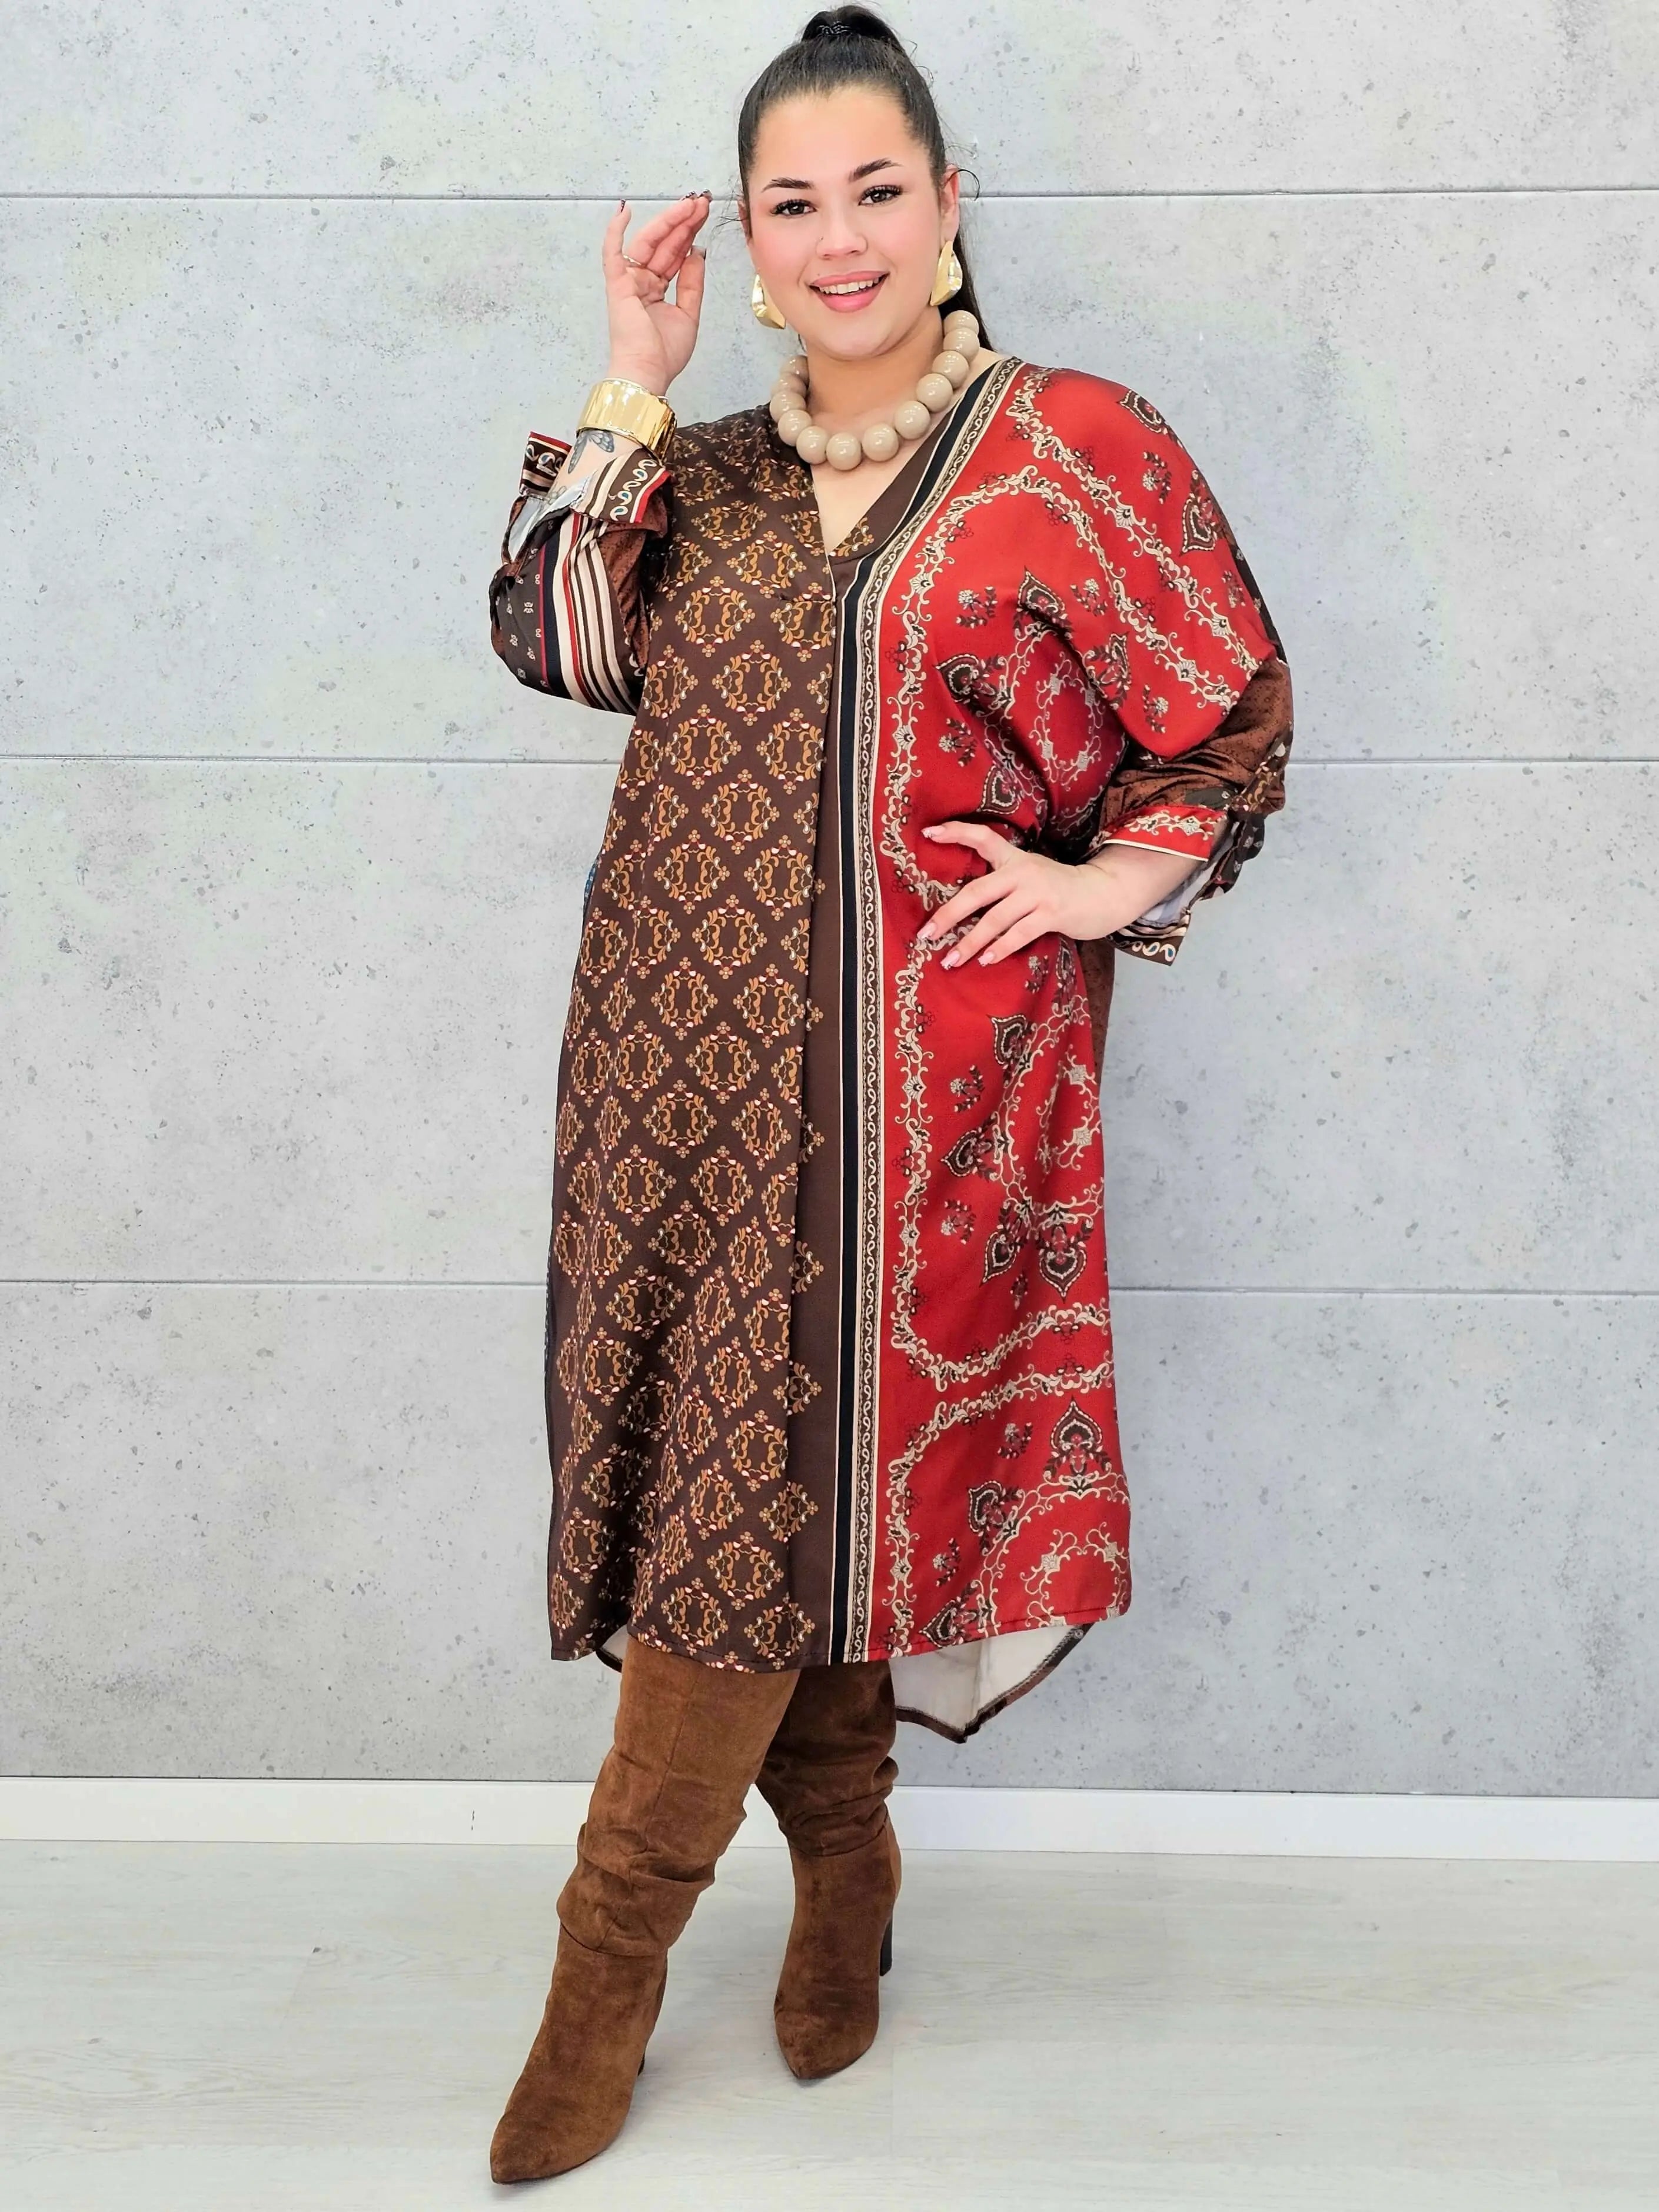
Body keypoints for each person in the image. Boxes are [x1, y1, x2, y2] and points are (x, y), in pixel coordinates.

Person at [484, 6, 1293, 2183]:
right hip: (677, 1091)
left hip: (937, 1102)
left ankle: (602, 1977)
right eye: (791, 204)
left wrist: (1094, 884)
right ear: (747, 246)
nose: (837, 237)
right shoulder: (708, 475)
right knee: (770, 1503)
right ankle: (846, 1861)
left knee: (752, 1515)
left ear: (947, 209)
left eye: (874, 190)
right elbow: (553, 637)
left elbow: (1226, 715)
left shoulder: (1070, 445)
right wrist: (629, 369)